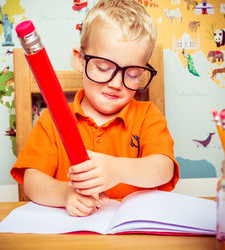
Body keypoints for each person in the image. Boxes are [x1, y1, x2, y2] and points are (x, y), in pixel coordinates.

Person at [11, 0, 179, 217]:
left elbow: (163, 169)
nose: (116, 84)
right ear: (80, 61)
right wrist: (66, 194)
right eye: (103, 67)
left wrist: (117, 170)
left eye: (132, 74)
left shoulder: (147, 116)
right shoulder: (50, 120)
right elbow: (32, 181)